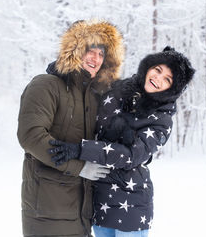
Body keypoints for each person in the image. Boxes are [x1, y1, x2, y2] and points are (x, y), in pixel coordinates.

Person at [48, 46, 195, 236]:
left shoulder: (161, 119)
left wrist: (80, 150)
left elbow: (131, 155)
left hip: (131, 208)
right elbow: (86, 89)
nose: (158, 78)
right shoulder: (117, 89)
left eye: (167, 79)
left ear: (172, 89)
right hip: (99, 201)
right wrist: (62, 72)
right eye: (157, 70)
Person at [17, 19, 125, 237]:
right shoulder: (46, 85)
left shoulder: (97, 97)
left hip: (83, 213)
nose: (96, 58)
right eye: (90, 51)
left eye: (101, 54)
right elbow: (30, 136)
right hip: (48, 210)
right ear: (75, 50)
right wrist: (79, 167)